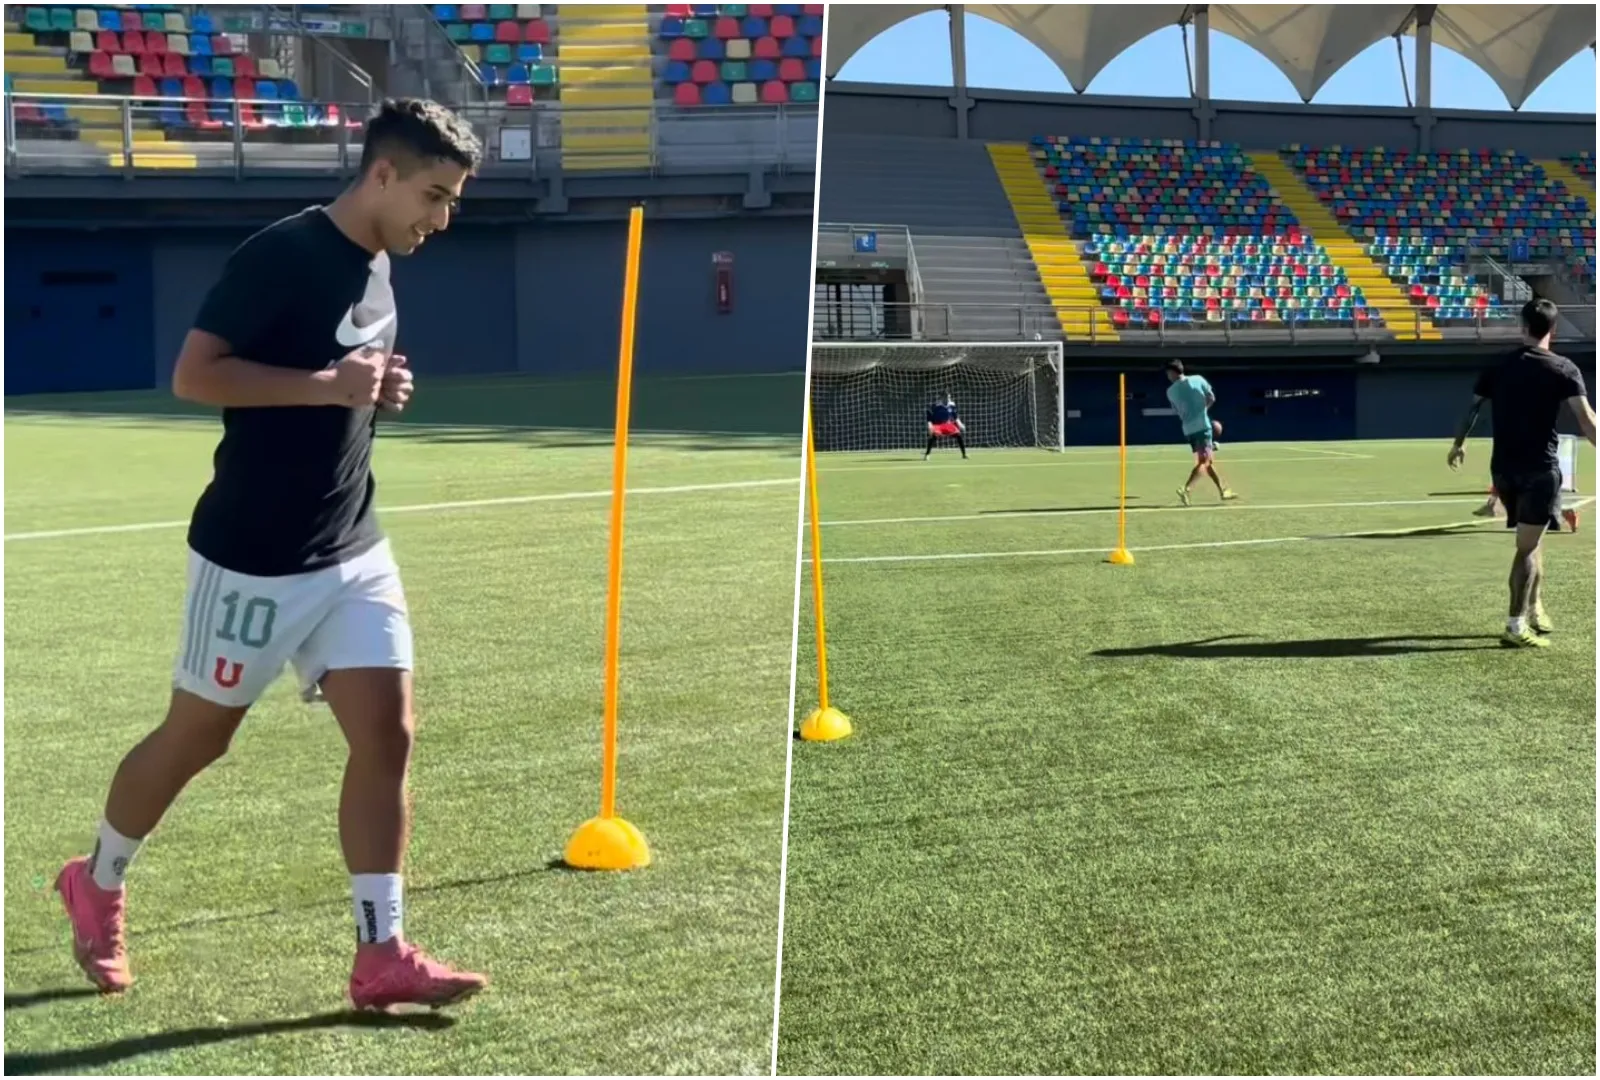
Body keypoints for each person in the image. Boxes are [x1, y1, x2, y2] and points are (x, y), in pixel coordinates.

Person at [54, 99, 490, 1011]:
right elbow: (194, 375)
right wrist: (328, 386)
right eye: (435, 196)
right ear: (382, 174)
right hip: (252, 557)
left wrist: (373, 392)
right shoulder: (281, 255)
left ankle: (382, 952)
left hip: (352, 547)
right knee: (197, 739)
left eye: (451, 202)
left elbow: (342, 382)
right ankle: (96, 880)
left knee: (388, 732)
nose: (441, 220)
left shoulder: (380, 260)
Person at [1448, 298, 1596, 648]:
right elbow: (1587, 420)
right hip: (1540, 471)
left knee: (1534, 537)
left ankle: (1535, 608)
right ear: (1553, 330)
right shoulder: (1562, 368)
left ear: (1522, 326)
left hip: (1502, 471)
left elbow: (1472, 409)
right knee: (1526, 548)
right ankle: (1515, 625)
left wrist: (1458, 444)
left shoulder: (1499, 365)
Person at [1165, 360, 1236, 505]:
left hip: (1188, 429)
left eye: (1168, 373)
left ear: (1173, 372)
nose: (1168, 376)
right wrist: (1203, 410)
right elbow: (1211, 398)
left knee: (1206, 462)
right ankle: (1186, 488)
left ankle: (1223, 490)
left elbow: (1178, 411)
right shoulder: (1198, 379)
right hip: (1203, 426)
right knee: (1205, 461)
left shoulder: (1170, 391)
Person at [924, 391, 968, 459]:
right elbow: (929, 416)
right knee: (933, 436)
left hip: (948, 425)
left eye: (949, 397)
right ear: (941, 398)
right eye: (946, 397)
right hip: (938, 425)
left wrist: (960, 424)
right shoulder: (935, 405)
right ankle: (927, 455)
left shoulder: (952, 405)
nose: (948, 399)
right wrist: (930, 425)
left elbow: (955, 417)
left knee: (958, 435)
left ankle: (964, 454)